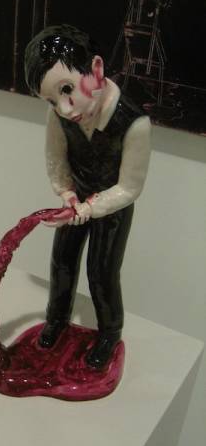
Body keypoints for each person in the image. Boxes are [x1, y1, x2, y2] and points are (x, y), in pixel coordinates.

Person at [24, 24, 151, 369]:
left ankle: (109, 332)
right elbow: (56, 159)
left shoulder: (134, 123)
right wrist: (66, 193)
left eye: (67, 90)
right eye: (52, 100)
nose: (65, 109)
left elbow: (130, 187)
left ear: (96, 69)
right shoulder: (59, 117)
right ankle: (57, 318)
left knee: (102, 271)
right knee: (62, 261)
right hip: (75, 199)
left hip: (112, 208)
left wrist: (91, 207)